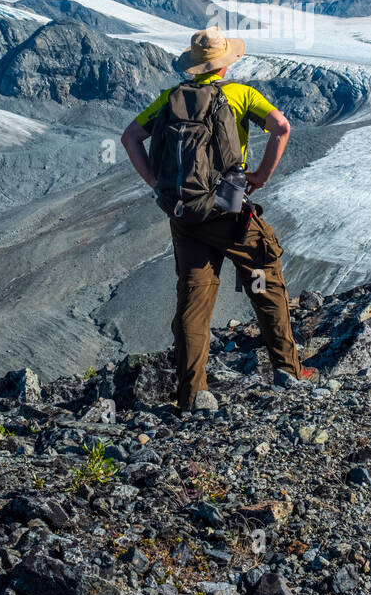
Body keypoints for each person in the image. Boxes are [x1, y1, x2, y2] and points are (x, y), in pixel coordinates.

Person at [121, 26, 311, 410]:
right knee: (263, 282)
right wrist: (260, 176)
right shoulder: (240, 94)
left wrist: (157, 184)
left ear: (194, 65)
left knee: (194, 301)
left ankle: (192, 396)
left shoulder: (169, 99)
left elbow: (129, 138)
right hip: (230, 210)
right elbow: (282, 127)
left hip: (185, 215)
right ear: (225, 64)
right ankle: (287, 371)